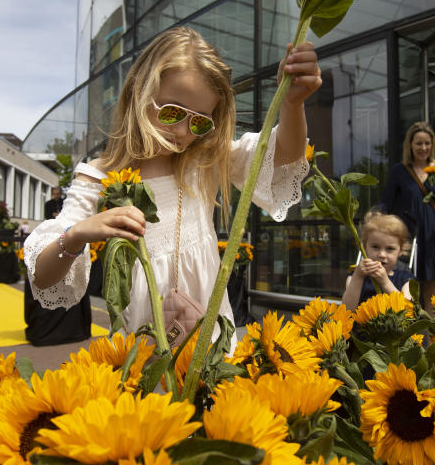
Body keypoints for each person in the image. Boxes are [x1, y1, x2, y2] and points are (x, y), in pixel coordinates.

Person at [25, 26, 321, 343]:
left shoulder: (204, 161)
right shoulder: (99, 176)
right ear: (139, 92)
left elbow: (283, 156)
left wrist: (292, 103)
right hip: (143, 345)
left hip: (208, 335)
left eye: (199, 121)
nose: (182, 131)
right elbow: (44, 278)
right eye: (172, 112)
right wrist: (77, 235)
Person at [380, 121, 435, 308]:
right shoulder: (400, 171)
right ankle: (414, 335)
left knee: (434, 297)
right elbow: (386, 202)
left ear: (433, 144)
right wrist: (376, 217)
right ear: (410, 145)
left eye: (427, 143)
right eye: (418, 143)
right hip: (409, 237)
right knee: (409, 293)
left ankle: (432, 336)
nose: (423, 148)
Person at [341, 211, 414, 310]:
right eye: (375, 247)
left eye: (390, 249)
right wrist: (358, 276)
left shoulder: (406, 279)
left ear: (400, 250)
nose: (382, 255)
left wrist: (385, 283)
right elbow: (347, 309)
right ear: (364, 247)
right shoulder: (356, 276)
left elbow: (408, 309)